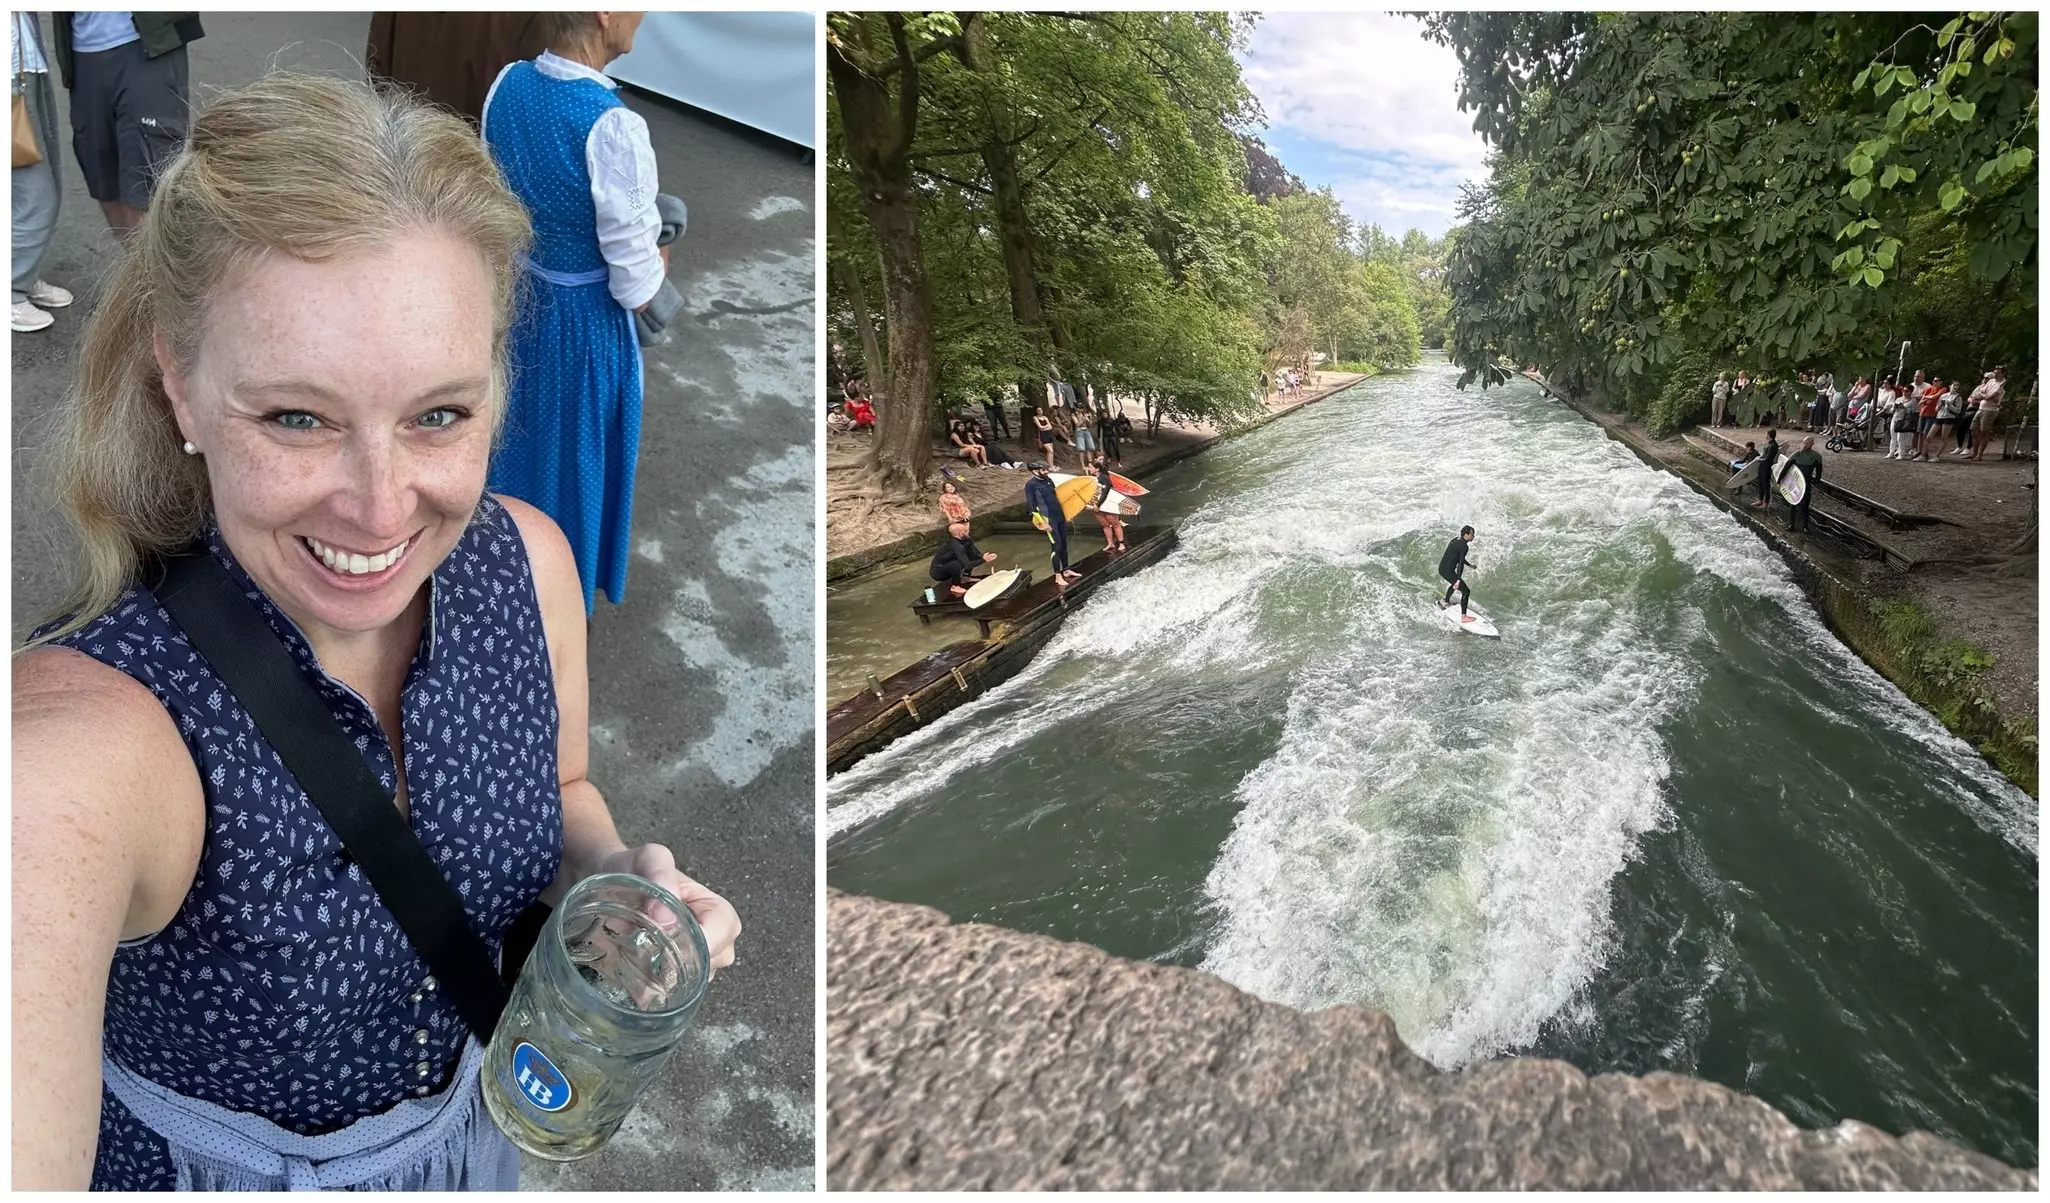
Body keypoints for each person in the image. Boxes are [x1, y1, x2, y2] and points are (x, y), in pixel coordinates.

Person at [10, 74, 741, 1192]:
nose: (382, 507)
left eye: (438, 415)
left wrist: (612, 877)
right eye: (297, 417)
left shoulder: (526, 563)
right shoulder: (85, 740)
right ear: (180, 385)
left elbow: (563, 789)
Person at [480, 12, 664, 615]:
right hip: (584, 325)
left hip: (518, 303)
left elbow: (494, 196)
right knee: (576, 455)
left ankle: (497, 566)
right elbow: (635, 283)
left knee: (515, 440)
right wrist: (663, 251)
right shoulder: (612, 124)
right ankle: (560, 594)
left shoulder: (508, 83)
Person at [52, 12, 202, 242]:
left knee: (151, 184)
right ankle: (139, 263)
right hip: (82, 49)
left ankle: (162, 264)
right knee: (104, 180)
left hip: (145, 42)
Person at [11, 11, 73, 333]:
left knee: (31, 191)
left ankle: (23, 273)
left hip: (28, 68)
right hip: (12, 76)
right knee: (37, 196)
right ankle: (11, 289)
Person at [1024, 462, 1081, 582]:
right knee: (1057, 546)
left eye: (1046, 469)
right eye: (1043, 470)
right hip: (1048, 519)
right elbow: (1031, 506)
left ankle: (1066, 569)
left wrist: (1068, 513)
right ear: (1035, 471)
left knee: (1064, 544)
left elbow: (1057, 498)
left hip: (1059, 516)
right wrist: (1043, 523)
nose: (1046, 471)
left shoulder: (1048, 480)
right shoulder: (1031, 485)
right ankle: (1057, 575)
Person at [928, 520, 995, 596]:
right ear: (959, 534)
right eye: (965, 531)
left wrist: (982, 556)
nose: (968, 532)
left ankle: (965, 577)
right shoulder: (956, 545)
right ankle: (955, 586)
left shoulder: (966, 539)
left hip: (952, 563)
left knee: (971, 557)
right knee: (957, 564)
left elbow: (975, 553)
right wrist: (984, 560)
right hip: (939, 571)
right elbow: (967, 565)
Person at [1438, 525, 1478, 622]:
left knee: (1454, 582)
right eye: (1472, 534)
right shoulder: (1464, 546)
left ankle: (1446, 601)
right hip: (1448, 571)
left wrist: (1470, 565)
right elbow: (1460, 564)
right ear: (1466, 534)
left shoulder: (1455, 540)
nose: (1473, 536)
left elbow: (1459, 557)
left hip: (1442, 568)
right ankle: (1464, 617)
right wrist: (1458, 580)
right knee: (1466, 591)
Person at [1786, 436, 1823, 533]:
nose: (1805, 445)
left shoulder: (1816, 456)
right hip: (1795, 483)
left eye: (1807, 444)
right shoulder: (1797, 454)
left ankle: (1805, 526)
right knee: (1792, 504)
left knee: (1805, 505)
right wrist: (1780, 480)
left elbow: (1819, 471)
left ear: (1812, 444)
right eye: (1804, 443)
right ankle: (1791, 524)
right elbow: (1786, 467)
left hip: (1806, 483)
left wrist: (1816, 481)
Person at [1091, 455, 1127, 553]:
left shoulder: (1104, 478)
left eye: (1090, 467)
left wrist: (1098, 504)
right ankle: (1110, 543)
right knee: (1105, 524)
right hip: (1097, 506)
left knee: (1115, 523)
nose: (1089, 469)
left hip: (1107, 504)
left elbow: (1105, 492)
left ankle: (1121, 543)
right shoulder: (1091, 479)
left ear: (1097, 469)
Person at [1969, 367, 2006, 461]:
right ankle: (1974, 452)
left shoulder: (2002, 384)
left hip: (1990, 410)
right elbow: (1982, 392)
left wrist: (1984, 396)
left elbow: (1990, 397)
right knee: (1974, 429)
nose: (1996, 375)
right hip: (1981, 408)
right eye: (1995, 372)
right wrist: (1984, 396)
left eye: (1998, 373)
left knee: (1984, 432)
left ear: (2003, 374)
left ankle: (1979, 455)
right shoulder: (1991, 381)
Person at [1751, 428, 1780, 509]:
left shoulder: (1773, 445)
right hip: (1762, 466)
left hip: (1767, 467)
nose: (1765, 434)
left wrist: (1758, 459)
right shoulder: (1769, 444)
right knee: (1760, 483)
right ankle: (1760, 500)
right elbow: (1764, 455)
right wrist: (1759, 457)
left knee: (1766, 485)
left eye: (1766, 433)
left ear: (1769, 435)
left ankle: (1766, 503)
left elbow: (1768, 458)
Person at [1032, 405, 1056, 470]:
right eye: (1038, 410)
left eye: (1041, 410)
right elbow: (1040, 427)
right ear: (1036, 411)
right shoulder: (1035, 418)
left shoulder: (1045, 417)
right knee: (1050, 450)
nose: (1040, 411)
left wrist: (1044, 427)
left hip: (1049, 434)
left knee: (1050, 451)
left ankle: (1051, 465)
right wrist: (1046, 426)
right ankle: (1051, 466)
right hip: (1043, 435)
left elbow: (1050, 427)